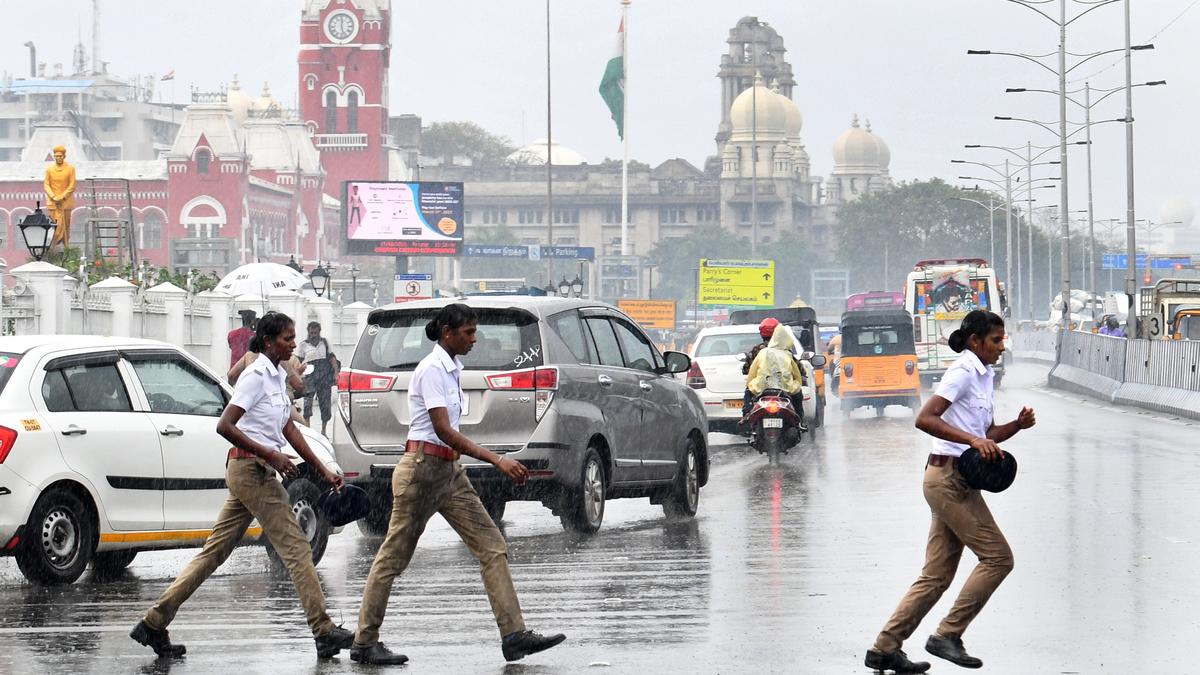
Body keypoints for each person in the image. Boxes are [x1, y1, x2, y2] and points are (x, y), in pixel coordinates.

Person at [350, 303, 565, 665]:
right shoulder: (432, 369)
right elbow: (443, 430)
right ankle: (364, 642)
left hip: (449, 473)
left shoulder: (452, 369)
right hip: (421, 471)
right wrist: (497, 459)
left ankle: (514, 636)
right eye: (467, 332)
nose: (474, 339)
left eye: (474, 332)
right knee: (392, 558)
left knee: (492, 546)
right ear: (447, 332)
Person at [130, 312, 353, 660]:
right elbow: (225, 425)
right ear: (267, 342)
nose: (293, 344)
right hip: (252, 471)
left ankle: (153, 622)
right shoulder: (255, 376)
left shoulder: (278, 377)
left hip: (253, 471)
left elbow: (289, 430)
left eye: (294, 338)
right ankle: (323, 630)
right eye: (286, 339)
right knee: (296, 548)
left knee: (213, 553)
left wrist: (323, 470)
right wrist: (272, 456)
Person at [865, 310, 1036, 673]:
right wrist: (972, 438)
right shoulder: (962, 373)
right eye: (996, 340)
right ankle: (947, 635)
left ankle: (884, 648)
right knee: (998, 558)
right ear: (975, 341)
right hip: (948, 481)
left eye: (1002, 340)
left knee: (937, 575)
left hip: (957, 479)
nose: (1001, 347)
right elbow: (925, 418)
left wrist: (1016, 427)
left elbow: (986, 436)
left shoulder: (984, 376)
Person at [230, 337, 306, 426]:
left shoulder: (248, 356)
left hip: (250, 407)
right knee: (304, 428)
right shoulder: (281, 359)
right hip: (280, 406)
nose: (293, 345)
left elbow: (231, 376)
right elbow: (299, 385)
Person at [745, 324, 807, 427]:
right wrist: (798, 382)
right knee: (798, 394)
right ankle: (800, 421)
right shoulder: (787, 353)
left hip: (762, 387)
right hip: (785, 388)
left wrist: (750, 384)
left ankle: (746, 416)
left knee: (748, 393)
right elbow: (798, 373)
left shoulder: (761, 352)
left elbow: (751, 371)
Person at [296, 321, 337, 435]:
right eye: (311, 332)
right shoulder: (303, 345)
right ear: (308, 332)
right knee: (308, 402)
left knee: (325, 404)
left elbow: (332, 357)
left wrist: (335, 373)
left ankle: (323, 430)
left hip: (324, 376)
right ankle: (308, 429)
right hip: (309, 376)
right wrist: (299, 376)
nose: (313, 334)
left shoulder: (324, 343)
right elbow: (299, 361)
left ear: (319, 331)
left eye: (315, 332)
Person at [43, 145, 76, 250]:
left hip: (65, 203)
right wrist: (53, 196)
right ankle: (54, 247)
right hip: (53, 204)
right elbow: (46, 185)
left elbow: (72, 185)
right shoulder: (49, 170)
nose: (58, 158)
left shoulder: (70, 169)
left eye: (60, 156)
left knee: (65, 226)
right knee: (55, 226)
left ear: (64, 156)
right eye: (56, 156)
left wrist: (62, 197)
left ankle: (66, 248)